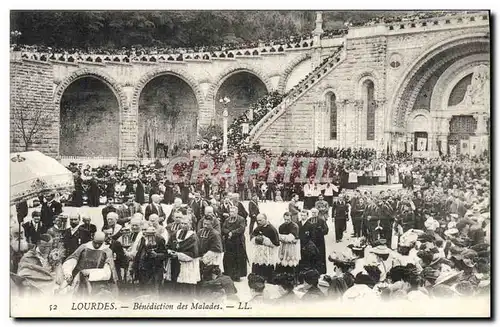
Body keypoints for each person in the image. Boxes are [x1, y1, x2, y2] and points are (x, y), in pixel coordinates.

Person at [62, 231, 118, 297]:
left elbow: (108, 271)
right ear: (92, 239)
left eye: (99, 244)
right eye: (95, 243)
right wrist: (68, 272)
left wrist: (90, 272)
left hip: (98, 282)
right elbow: (73, 259)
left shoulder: (107, 251)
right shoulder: (84, 247)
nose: (97, 245)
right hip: (80, 280)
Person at [165, 213, 201, 298]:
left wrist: (178, 255)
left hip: (187, 265)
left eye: (186, 224)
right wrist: (170, 252)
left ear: (190, 224)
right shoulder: (175, 234)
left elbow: (194, 254)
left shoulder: (193, 237)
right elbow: (168, 245)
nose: (183, 225)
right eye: (182, 223)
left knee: (186, 287)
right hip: (174, 263)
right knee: (175, 284)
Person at [131, 226, 168, 296]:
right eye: (143, 230)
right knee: (144, 292)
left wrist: (157, 255)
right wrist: (134, 267)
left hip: (154, 270)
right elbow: (139, 254)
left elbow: (165, 254)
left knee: (154, 292)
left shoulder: (159, 239)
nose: (144, 232)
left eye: (146, 229)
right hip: (143, 270)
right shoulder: (143, 239)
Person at [250, 213, 280, 283]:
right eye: (257, 221)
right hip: (259, 253)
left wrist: (266, 241)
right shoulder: (258, 227)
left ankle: (268, 279)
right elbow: (252, 236)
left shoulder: (272, 229)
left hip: (268, 254)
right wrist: (256, 239)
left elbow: (276, 243)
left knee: (267, 267)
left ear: (265, 219)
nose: (258, 222)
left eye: (260, 220)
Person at [222, 206, 247, 282]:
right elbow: (223, 228)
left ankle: (237, 275)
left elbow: (241, 229)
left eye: (233, 212)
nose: (231, 213)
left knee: (238, 259)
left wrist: (232, 233)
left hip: (238, 242)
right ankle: (229, 274)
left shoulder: (241, 219)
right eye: (230, 212)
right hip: (229, 242)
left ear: (236, 212)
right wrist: (228, 232)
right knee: (229, 258)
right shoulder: (227, 220)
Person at [299, 208, 328, 274]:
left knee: (320, 256)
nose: (314, 214)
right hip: (312, 241)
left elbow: (326, 230)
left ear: (318, 213)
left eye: (315, 212)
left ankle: (321, 271)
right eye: (312, 212)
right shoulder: (309, 220)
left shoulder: (321, 220)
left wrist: (320, 231)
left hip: (320, 241)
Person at [276, 212, 301, 278]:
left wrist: (282, 237)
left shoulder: (294, 226)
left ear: (291, 218)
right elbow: (278, 237)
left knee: (291, 261)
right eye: (285, 219)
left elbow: (290, 238)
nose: (286, 221)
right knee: (282, 260)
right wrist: (284, 238)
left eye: (288, 220)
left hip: (292, 247)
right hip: (283, 247)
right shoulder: (281, 226)